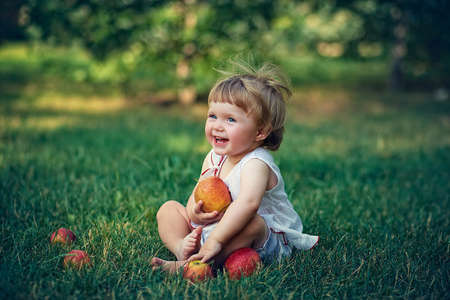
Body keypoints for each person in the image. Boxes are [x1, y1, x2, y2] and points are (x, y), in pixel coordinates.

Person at [151, 62, 318, 272]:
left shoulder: (257, 163)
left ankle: (189, 265)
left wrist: (216, 240)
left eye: (230, 119)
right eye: (213, 116)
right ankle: (181, 248)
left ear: (260, 132)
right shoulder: (214, 157)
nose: (218, 126)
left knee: (253, 222)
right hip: (215, 228)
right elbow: (197, 196)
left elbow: (248, 204)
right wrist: (195, 212)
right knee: (169, 209)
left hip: (260, 238)